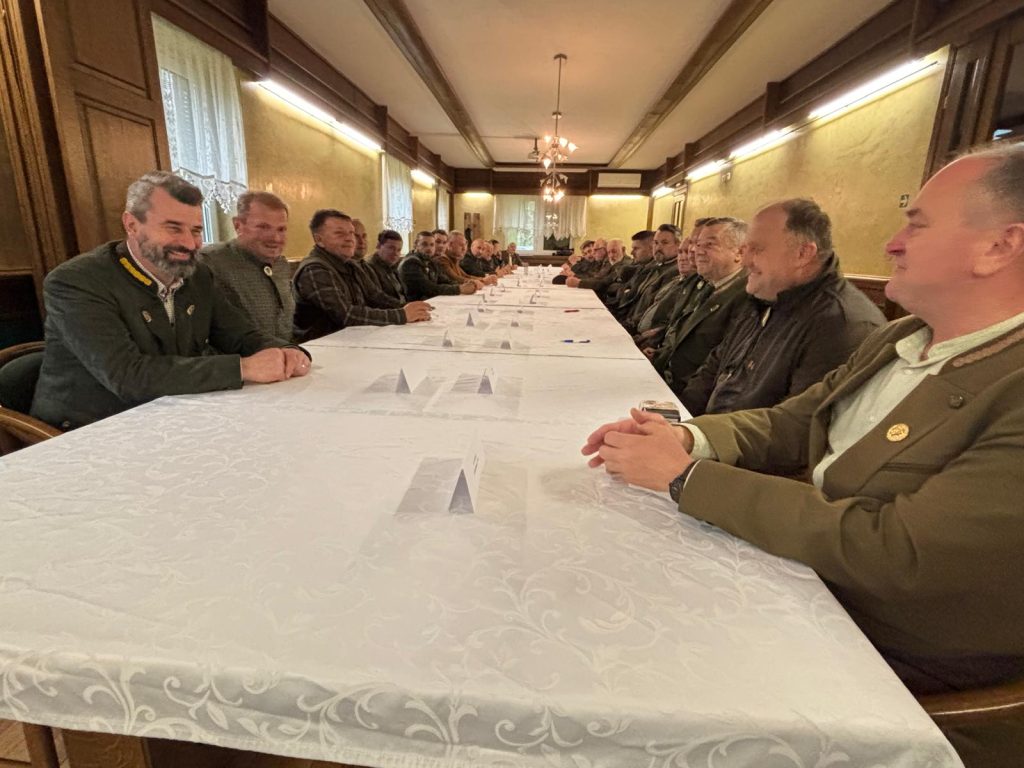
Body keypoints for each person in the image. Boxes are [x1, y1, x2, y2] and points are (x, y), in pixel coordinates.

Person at [582, 145, 1024, 768]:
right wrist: (688, 439)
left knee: (617, 665)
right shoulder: (905, 336)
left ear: (1000, 246)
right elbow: (794, 420)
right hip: (808, 573)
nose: (892, 244)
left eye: (917, 225)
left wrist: (688, 479)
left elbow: (898, 551)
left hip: (885, 650)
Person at [31, 171, 310, 430]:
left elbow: (240, 334)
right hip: (86, 429)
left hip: (171, 413)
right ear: (131, 225)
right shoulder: (76, 281)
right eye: (173, 228)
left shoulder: (197, 275)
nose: (189, 244)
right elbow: (128, 376)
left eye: (196, 231)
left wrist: (287, 351)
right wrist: (243, 368)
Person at [680, 199, 885, 415]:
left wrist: (697, 432)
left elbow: (795, 423)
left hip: (733, 435)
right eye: (746, 248)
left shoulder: (840, 324)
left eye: (757, 249)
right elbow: (714, 367)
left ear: (802, 254)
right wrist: (677, 417)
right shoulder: (766, 295)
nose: (745, 260)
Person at [292, 210, 431, 341]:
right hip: (320, 347)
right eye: (340, 233)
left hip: (353, 339)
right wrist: (401, 315)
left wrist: (411, 308)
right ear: (319, 239)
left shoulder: (350, 264)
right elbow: (346, 315)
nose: (349, 239)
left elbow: (377, 297)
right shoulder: (314, 269)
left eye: (351, 233)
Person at [653, 218, 749, 385]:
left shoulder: (745, 296)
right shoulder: (711, 286)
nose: (697, 251)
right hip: (667, 376)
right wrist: (658, 356)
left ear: (739, 253)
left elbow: (719, 365)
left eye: (709, 245)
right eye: (698, 244)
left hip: (685, 390)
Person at [201, 191, 294, 340]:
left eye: (281, 229)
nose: (276, 238)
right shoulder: (210, 263)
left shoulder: (281, 265)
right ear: (238, 225)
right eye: (263, 227)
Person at [400, 230, 477, 301]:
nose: (429, 248)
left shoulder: (430, 261)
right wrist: (459, 289)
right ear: (415, 245)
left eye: (432, 245)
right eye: (424, 244)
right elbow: (428, 288)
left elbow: (444, 280)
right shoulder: (411, 262)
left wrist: (465, 285)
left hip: (430, 301)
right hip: (415, 305)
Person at [363, 229, 406, 303]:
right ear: (378, 246)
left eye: (399, 250)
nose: (395, 253)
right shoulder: (369, 267)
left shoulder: (393, 266)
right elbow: (378, 299)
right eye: (391, 248)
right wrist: (405, 306)